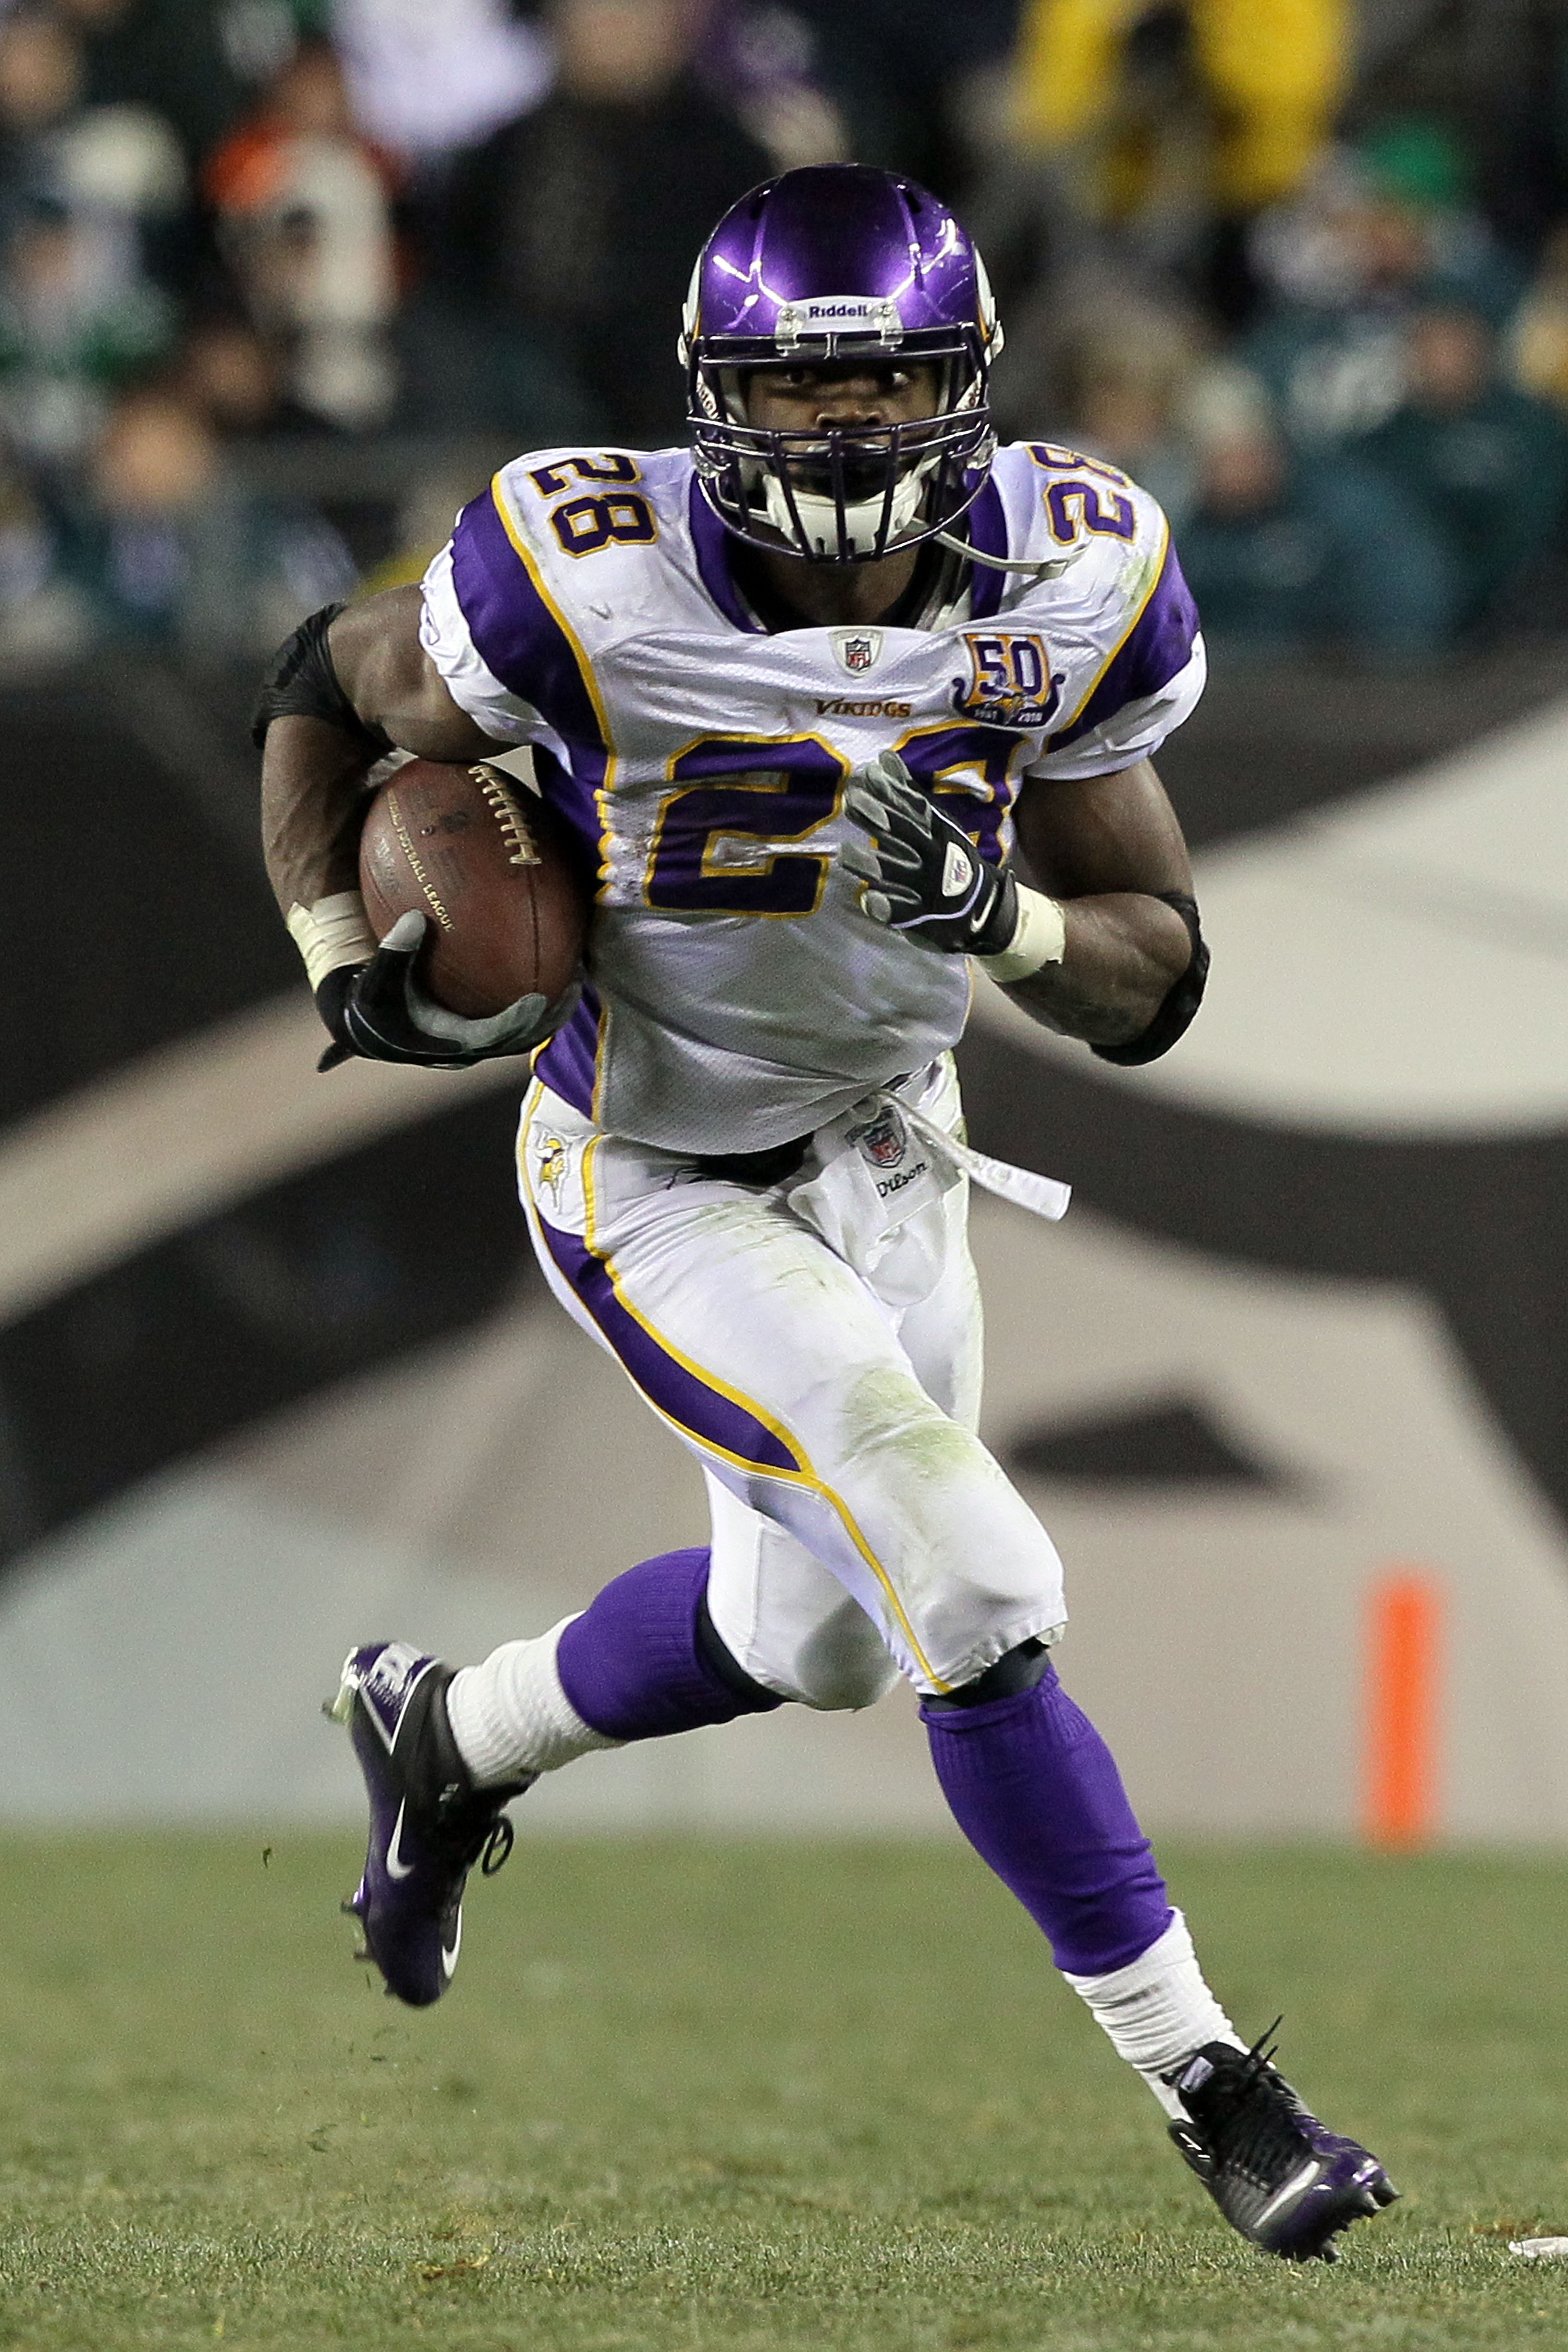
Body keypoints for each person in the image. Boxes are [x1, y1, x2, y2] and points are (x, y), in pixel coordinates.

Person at [256, 163, 1396, 2263]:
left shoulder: (1069, 572)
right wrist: (340, 942)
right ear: (713, 401)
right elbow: (319, 684)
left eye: (887, 384)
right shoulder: (578, 575)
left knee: (823, 1646)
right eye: (802, 392)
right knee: (975, 1574)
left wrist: (1013, 918)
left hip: (891, 1147)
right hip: (657, 1176)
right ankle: (1218, 2091)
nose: (849, 434)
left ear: (965, 385)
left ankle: (449, 1733)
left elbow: (1158, 972)